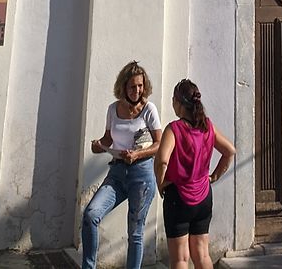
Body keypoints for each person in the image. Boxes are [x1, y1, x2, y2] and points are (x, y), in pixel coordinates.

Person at [82, 61, 162, 269]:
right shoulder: (112, 109)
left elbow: (159, 144)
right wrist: (98, 146)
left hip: (142, 174)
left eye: (140, 86)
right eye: (132, 86)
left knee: (135, 232)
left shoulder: (148, 110)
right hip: (117, 172)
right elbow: (108, 140)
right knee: (91, 214)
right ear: (123, 87)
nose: (137, 91)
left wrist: (137, 154)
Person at [155, 78, 235, 269]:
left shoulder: (174, 129)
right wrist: (213, 177)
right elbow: (230, 151)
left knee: (181, 259)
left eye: (173, 101)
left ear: (178, 103)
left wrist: (160, 183)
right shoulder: (207, 126)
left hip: (179, 198)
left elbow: (162, 160)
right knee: (202, 255)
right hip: (204, 197)